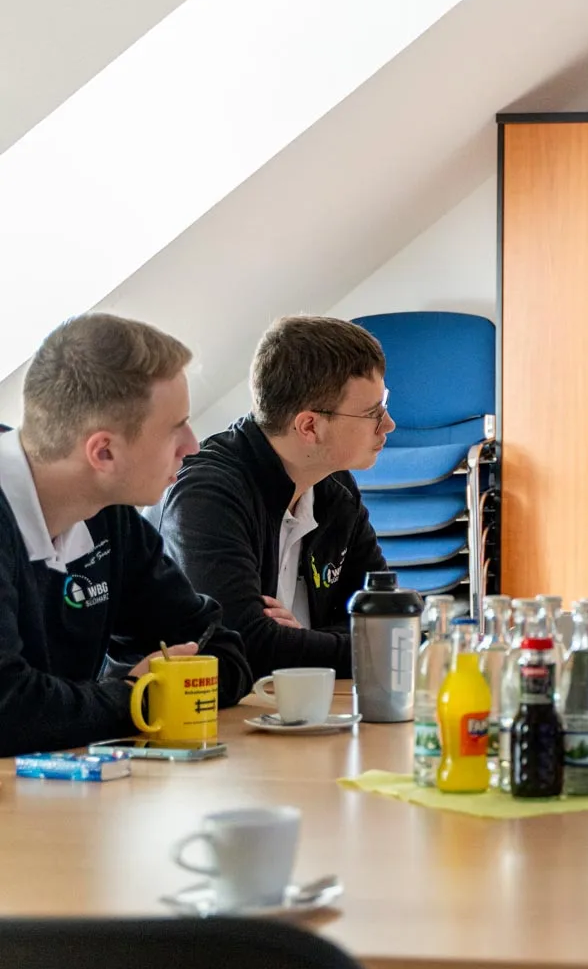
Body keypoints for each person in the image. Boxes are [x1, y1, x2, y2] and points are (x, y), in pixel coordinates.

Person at [0, 315, 251, 756]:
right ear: (104, 452)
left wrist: (141, 693)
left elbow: (220, 646)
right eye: (177, 428)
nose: (192, 445)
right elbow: (9, 710)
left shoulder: (105, 512)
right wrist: (138, 696)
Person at [159, 317, 393, 679]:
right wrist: (333, 644)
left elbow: (391, 621)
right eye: (372, 413)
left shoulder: (335, 486)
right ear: (309, 426)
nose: (388, 424)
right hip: (186, 722)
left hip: (292, 710)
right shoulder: (207, 495)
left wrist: (303, 640)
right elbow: (243, 647)